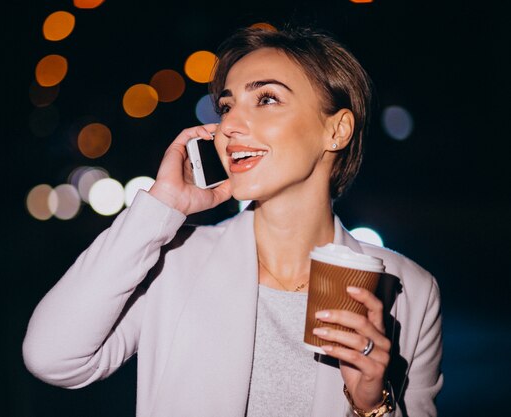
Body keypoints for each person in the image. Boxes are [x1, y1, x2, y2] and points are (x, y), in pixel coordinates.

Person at [22, 25, 442, 417]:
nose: (229, 126)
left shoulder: (409, 291)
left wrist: (372, 404)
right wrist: (161, 205)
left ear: (337, 130)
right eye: (226, 106)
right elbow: (53, 358)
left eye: (267, 99)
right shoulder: (173, 261)